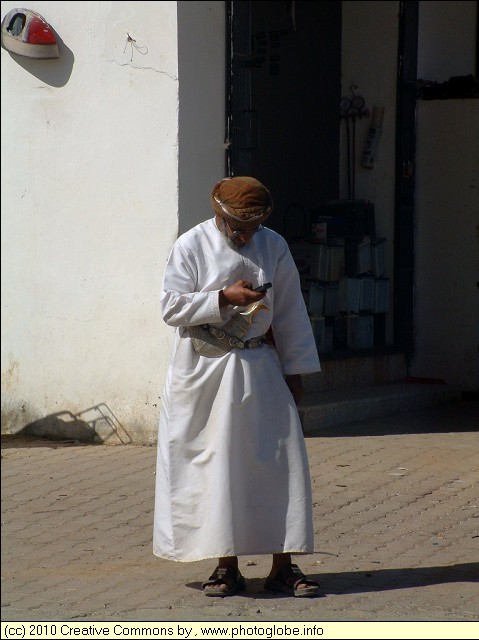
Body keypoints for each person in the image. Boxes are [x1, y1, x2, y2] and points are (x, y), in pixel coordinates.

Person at [153, 176, 321, 597]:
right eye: (237, 227)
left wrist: (295, 371)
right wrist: (223, 298)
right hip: (204, 372)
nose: (245, 236)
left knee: (278, 463)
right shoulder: (190, 246)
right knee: (218, 468)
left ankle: (283, 565)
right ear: (219, 214)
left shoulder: (273, 245)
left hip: (260, 365)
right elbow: (170, 306)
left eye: (253, 228)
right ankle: (226, 567)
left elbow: (290, 310)